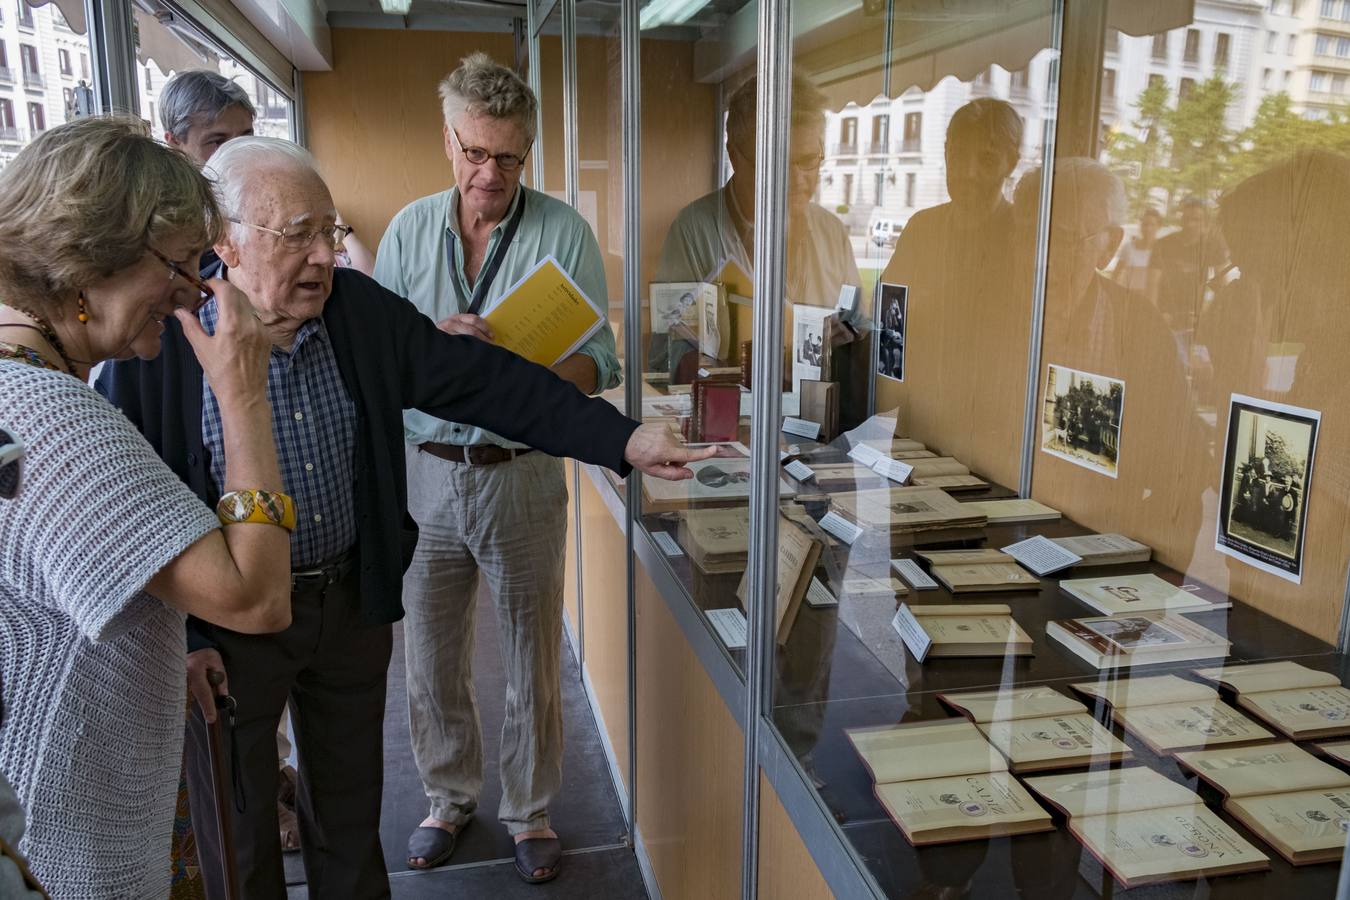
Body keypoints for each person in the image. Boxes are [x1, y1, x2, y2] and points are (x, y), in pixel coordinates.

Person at [97, 135, 708, 900]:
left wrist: (619, 437)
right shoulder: (161, 341)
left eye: (331, 232)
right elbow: (130, 504)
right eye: (299, 236)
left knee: (352, 824)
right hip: (226, 638)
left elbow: (483, 382)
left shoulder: (357, 314)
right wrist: (181, 638)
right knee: (242, 832)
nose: (325, 256)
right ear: (227, 240)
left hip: (347, 605)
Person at [0, 116, 292, 899]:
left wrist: (162, 651)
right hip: (68, 847)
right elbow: (255, 597)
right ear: (89, 256)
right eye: (179, 264)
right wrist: (242, 390)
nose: (196, 291)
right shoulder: (49, 416)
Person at [372, 52, 621, 883]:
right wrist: (435, 352)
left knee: (530, 654)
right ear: (449, 142)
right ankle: (447, 798)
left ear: (529, 152)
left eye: (508, 158)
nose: (490, 174)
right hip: (426, 469)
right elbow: (373, 361)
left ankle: (531, 810)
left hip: (520, 470)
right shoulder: (407, 231)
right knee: (431, 656)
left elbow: (600, 362)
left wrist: (530, 371)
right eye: (475, 154)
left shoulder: (564, 232)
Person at [655, 73, 868, 419]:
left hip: (819, 426)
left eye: (809, 160)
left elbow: (862, 332)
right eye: (779, 164)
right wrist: (738, 360)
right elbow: (667, 362)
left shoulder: (832, 232)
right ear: (734, 154)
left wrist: (848, 337)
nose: (798, 180)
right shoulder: (693, 231)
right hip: (735, 427)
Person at [880, 98, 1026, 487]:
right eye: (959, 156)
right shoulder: (921, 229)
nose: (969, 173)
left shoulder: (1022, 238)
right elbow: (890, 326)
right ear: (945, 154)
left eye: (988, 160)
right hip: (920, 429)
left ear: (1011, 164)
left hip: (995, 437)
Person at [160, 69, 375, 278]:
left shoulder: (277, 203)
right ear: (174, 143)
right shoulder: (161, 230)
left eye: (246, 137)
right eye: (217, 142)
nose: (239, 152)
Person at [1148, 195, 1227, 337]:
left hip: (1196, 315)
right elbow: (1152, 283)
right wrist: (1155, 315)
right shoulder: (1163, 244)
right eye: (1186, 219)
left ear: (1205, 222)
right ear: (1181, 220)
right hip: (1165, 312)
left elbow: (1222, 284)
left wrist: (1210, 313)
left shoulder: (1213, 245)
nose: (1190, 224)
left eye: (1196, 220)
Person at [1111, 206, 1162, 298]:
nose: (1148, 228)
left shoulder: (1161, 250)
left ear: (1158, 227)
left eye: (1152, 225)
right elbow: (1116, 274)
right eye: (1145, 224)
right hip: (1126, 297)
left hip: (1148, 299)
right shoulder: (1128, 247)